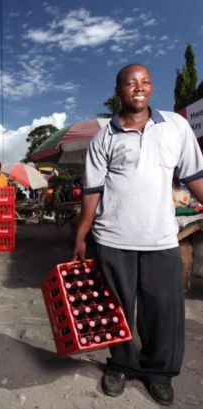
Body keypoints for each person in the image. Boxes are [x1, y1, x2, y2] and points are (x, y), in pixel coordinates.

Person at [72, 63, 203, 406]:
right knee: (115, 310)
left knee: (164, 310)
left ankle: (159, 373)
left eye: (145, 82)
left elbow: (194, 175)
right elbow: (92, 192)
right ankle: (121, 366)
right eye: (131, 83)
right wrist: (81, 236)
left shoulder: (175, 126)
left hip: (160, 237)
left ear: (152, 88)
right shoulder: (105, 138)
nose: (138, 87)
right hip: (113, 238)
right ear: (119, 91)